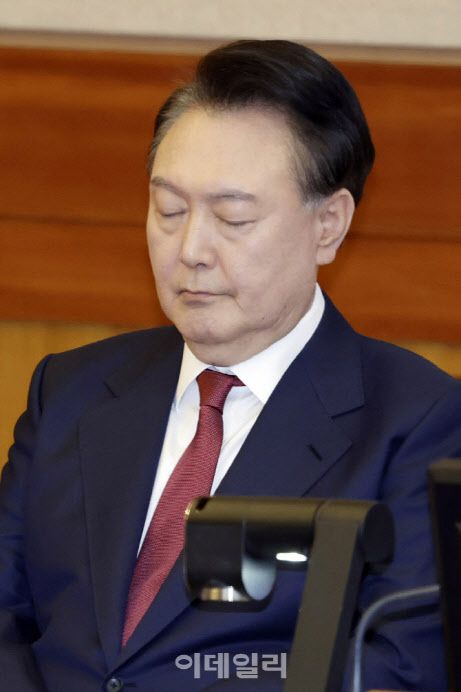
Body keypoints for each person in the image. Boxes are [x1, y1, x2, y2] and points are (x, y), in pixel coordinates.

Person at [1, 39, 460, 692]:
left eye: (233, 218)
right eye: (169, 210)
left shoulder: (419, 424)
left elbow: (395, 669)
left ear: (328, 225)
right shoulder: (69, 391)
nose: (190, 248)